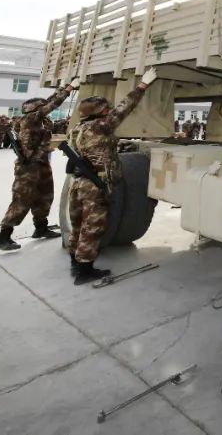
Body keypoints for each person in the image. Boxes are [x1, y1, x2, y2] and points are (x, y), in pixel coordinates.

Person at [67, 68, 157, 284]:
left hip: (79, 182)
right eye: (105, 108)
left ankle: (75, 262)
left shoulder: (77, 128)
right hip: (94, 185)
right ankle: (84, 271)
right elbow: (124, 108)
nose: (108, 111)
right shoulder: (100, 126)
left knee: (78, 224)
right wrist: (142, 86)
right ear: (99, 112)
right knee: (92, 227)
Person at [0, 81, 79, 252]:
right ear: (35, 109)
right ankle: (3, 237)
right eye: (41, 107)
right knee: (22, 200)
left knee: (45, 196)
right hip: (28, 167)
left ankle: (41, 228)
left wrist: (63, 88)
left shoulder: (38, 120)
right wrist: (68, 90)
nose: (45, 108)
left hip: (41, 163)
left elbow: (49, 102)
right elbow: (52, 104)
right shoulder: (30, 118)